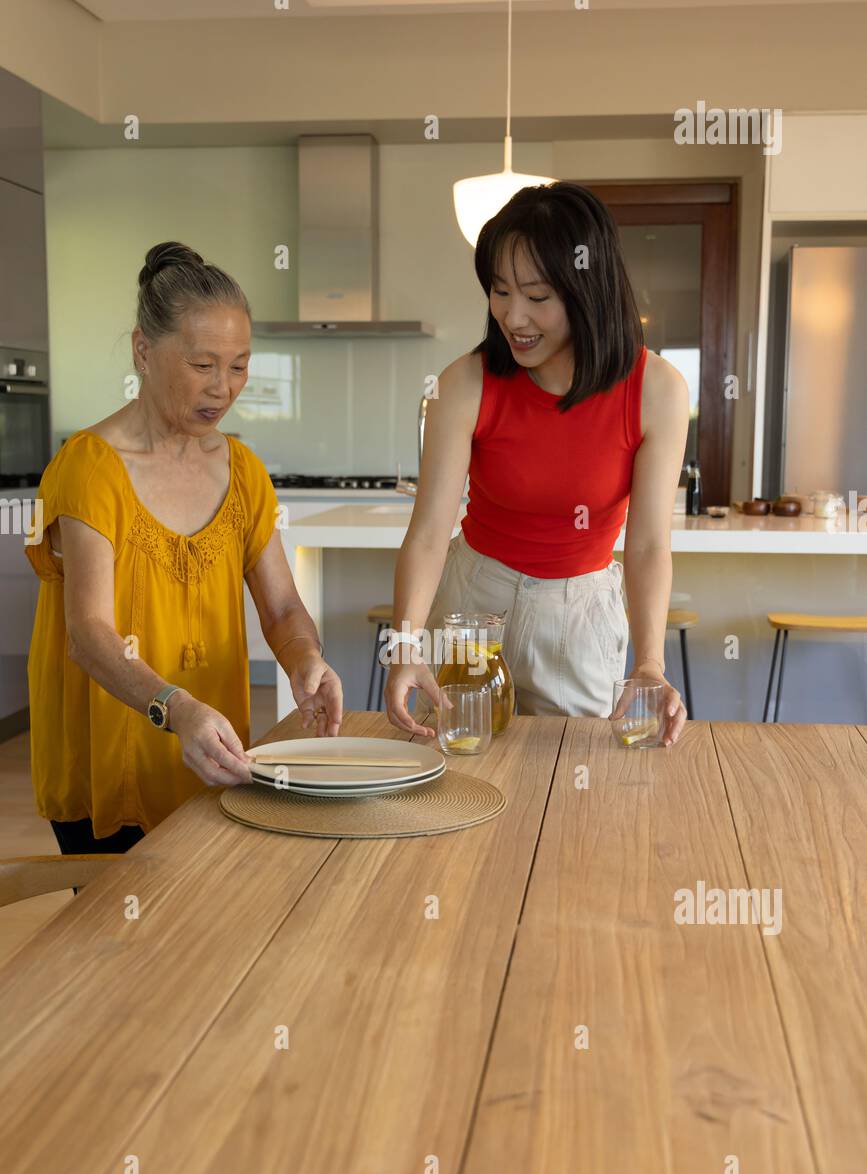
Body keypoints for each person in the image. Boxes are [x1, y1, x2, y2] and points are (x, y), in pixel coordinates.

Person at [26, 240, 343, 857]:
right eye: (203, 365)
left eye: (240, 365)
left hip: (212, 752)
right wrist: (176, 708)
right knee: (119, 940)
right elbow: (88, 633)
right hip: (112, 758)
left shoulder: (244, 471)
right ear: (144, 352)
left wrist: (305, 660)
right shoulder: (89, 469)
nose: (223, 388)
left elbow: (280, 608)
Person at [383, 181, 690, 746]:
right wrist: (405, 644)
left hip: (578, 615)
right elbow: (429, 533)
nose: (512, 316)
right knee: (449, 769)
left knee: (566, 789)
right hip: (472, 606)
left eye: (537, 296)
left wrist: (649, 663)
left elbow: (647, 544)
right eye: (500, 291)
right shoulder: (466, 382)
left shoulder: (657, 390)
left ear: (587, 290)